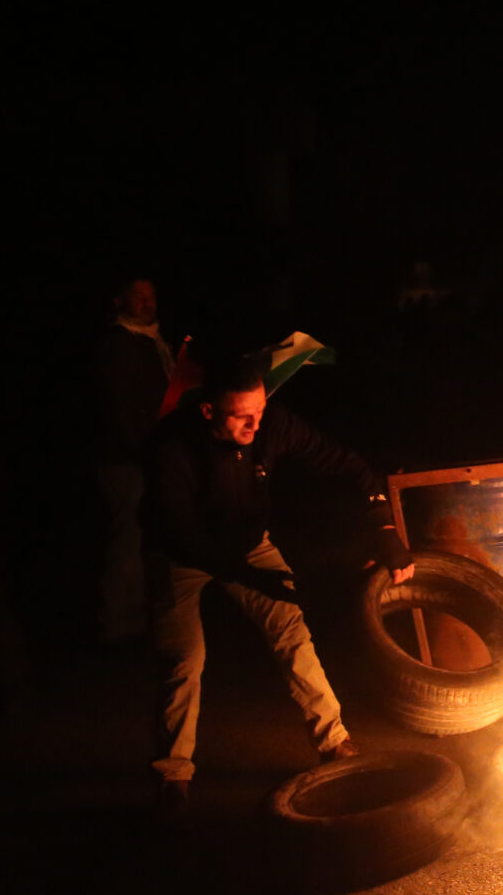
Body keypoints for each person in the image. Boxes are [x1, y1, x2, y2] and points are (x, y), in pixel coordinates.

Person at [141, 353, 413, 809]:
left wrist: (385, 530)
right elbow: (181, 531)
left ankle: (333, 742)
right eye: (242, 416)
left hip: (249, 543)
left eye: (261, 411)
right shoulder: (171, 447)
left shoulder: (273, 424)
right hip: (180, 556)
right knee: (185, 660)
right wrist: (252, 578)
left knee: (292, 632)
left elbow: (349, 466)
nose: (255, 425)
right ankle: (172, 776)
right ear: (209, 411)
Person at [93, 276, 174, 644]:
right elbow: (122, 407)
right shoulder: (120, 346)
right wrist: (144, 450)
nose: (147, 302)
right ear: (119, 300)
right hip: (126, 459)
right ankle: (117, 625)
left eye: (151, 295)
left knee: (141, 536)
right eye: (138, 296)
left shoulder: (152, 343)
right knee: (126, 536)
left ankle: (139, 619)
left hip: (147, 454)